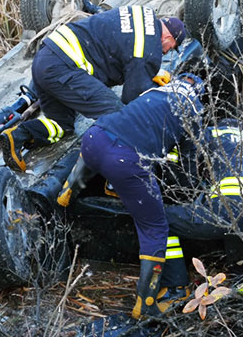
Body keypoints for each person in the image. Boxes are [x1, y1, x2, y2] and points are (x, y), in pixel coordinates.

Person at [77, 73, 205, 319]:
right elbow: (188, 160)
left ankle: (65, 195)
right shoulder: (193, 108)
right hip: (125, 162)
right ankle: (145, 303)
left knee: (104, 149)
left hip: (93, 139)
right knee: (155, 228)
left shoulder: (155, 91)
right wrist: (188, 191)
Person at [0, 5, 187, 172]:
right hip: (63, 67)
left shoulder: (140, 13)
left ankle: (18, 135)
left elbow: (124, 45)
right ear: (168, 37)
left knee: (61, 125)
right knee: (117, 114)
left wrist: (144, 72)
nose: (166, 52)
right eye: (171, 48)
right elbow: (133, 98)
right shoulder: (150, 50)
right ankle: (115, 174)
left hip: (46, 57)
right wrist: (152, 89)